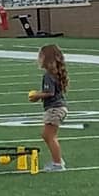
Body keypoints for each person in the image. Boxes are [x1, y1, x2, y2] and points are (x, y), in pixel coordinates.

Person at [29, 44, 69, 172]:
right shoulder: (55, 73)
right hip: (58, 108)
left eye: (40, 56)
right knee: (48, 135)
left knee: (49, 136)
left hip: (54, 109)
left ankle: (57, 163)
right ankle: (57, 160)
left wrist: (36, 95)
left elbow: (50, 93)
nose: (38, 59)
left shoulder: (48, 75)